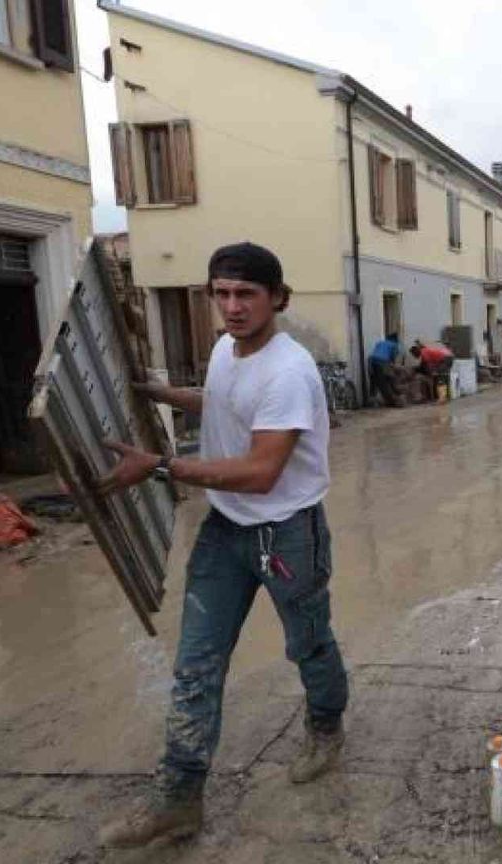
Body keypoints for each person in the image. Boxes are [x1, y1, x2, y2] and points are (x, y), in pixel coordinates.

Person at [96, 242, 348, 847]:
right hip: (225, 531)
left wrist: (159, 466)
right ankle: (179, 798)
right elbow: (226, 403)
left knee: (308, 643)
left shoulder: (290, 371)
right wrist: (157, 394)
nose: (232, 306)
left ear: (277, 299)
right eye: (222, 293)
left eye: (246, 294)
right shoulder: (224, 351)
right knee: (195, 664)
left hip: (287, 531)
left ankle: (326, 726)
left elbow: (262, 470)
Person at [368, 332, 401, 407]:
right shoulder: (394, 345)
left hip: (371, 361)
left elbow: (375, 352)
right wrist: (392, 365)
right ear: (395, 340)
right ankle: (391, 402)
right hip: (382, 362)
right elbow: (393, 357)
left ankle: (371, 402)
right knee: (384, 383)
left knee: (373, 381)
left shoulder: (380, 342)